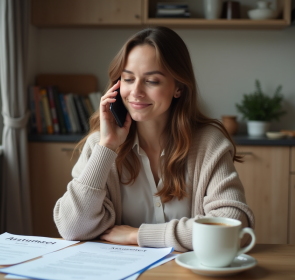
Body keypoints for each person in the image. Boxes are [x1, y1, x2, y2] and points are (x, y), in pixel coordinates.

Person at [53, 26, 254, 252]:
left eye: (152, 81)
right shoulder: (100, 145)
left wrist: (137, 235)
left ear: (178, 87)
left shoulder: (209, 143)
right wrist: (107, 147)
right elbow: (72, 228)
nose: (136, 91)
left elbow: (233, 224)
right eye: (128, 79)